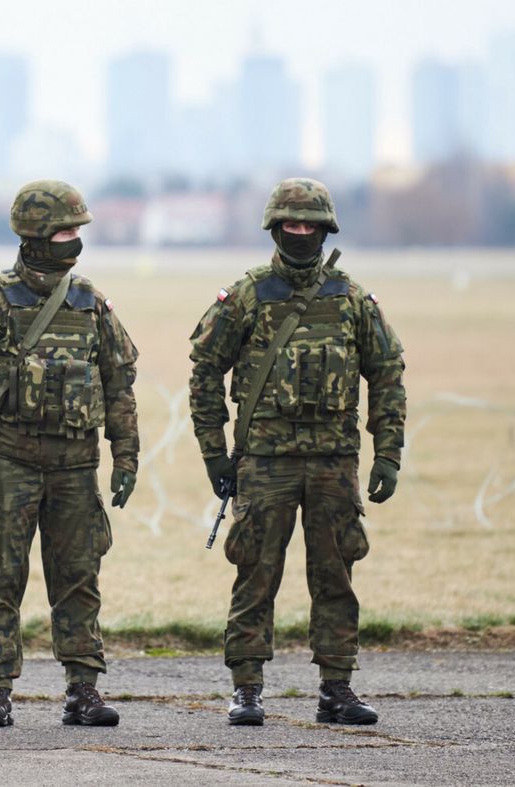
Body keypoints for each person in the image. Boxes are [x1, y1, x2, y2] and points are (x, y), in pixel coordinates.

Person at [187, 177, 407, 726]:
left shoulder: (352, 299)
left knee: (335, 576)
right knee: (255, 575)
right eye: (291, 224)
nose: (301, 233)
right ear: (274, 227)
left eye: (311, 225)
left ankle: (337, 690)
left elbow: (387, 375)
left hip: (335, 462)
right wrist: (215, 452)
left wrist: (389, 452)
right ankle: (246, 689)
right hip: (264, 462)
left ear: (326, 227)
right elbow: (205, 371)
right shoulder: (246, 296)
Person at [0, 179, 140, 728]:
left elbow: (119, 382)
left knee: (79, 576)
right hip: (10, 462)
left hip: (77, 466)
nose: (75, 240)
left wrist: (127, 457)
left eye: (78, 230)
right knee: (2, 577)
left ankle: (83, 689)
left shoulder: (92, 304)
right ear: (35, 233)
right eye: (65, 230)